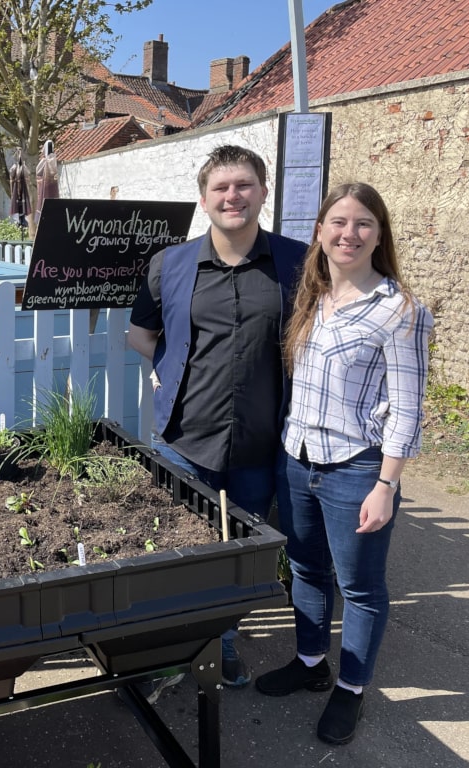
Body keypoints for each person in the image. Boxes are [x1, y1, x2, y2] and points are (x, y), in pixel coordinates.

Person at [254, 182, 432, 745]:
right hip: (297, 459)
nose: (347, 234)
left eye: (362, 224)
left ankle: (350, 690)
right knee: (306, 569)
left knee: (360, 588)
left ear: (379, 236)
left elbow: (408, 408)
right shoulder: (311, 298)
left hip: (356, 468)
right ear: (320, 232)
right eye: (338, 222)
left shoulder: (400, 311)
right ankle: (310, 663)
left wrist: (386, 484)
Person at [127, 145, 307, 691]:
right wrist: (167, 374)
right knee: (181, 550)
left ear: (263, 192)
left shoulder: (297, 263)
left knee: (236, 556)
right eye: (222, 188)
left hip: (262, 441)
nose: (234, 196)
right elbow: (140, 333)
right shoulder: (170, 264)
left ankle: (222, 643)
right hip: (185, 438)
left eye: (244, 185)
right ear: (204, 199)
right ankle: (171, 649)